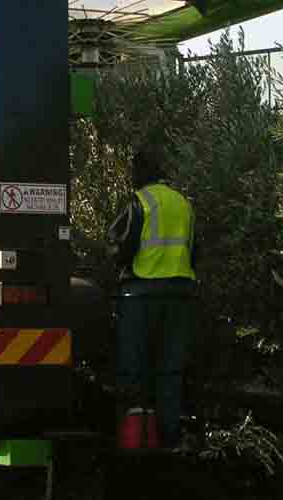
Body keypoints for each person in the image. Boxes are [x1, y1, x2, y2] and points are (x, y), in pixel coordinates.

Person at [106, 147, 198, 450]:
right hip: (181, 295)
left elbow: (120, 245)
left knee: (134, 366)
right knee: (170, 370)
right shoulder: (184, 204)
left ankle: (134, 440)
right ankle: (170, 436)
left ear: (139, 174)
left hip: (141, 295)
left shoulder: (141, 201)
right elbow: (195, 251)